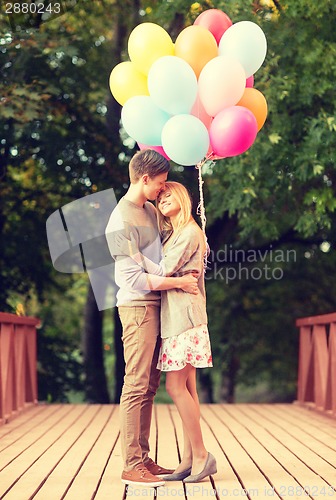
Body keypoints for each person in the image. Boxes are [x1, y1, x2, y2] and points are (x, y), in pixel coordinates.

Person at [105, 150, 199, 488]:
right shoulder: (120, 220)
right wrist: (179, 282)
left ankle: (143, 458)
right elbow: (132, 280)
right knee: (136, 383)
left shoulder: (148, 210)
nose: (162, 189)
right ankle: (131, 464)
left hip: (158, 306)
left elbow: (170, 248)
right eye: (160, 183)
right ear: (144, 179)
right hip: (137, 307)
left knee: (149, 386)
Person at [116, 181, 217, 484]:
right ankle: (189, 458)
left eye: (169, 195)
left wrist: (130, 254)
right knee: (186, 388)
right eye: (160, 199)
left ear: (184, 198)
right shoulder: (174, 233)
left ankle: (200, 455)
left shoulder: (188, 232)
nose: (163, 200)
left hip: (184, 319)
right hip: (177, 318)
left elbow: (165, 268)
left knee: (176, 388)